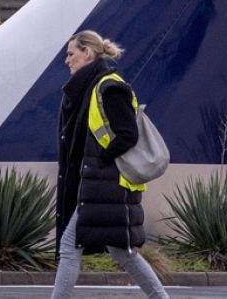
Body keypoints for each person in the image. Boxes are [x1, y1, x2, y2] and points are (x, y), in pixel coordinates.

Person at [52, 30, 168, 299]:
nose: (67, 60)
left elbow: (128, 134)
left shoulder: (109, 87)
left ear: (87, 53)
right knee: (122, 251)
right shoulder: (90, 88)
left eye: (71, 54)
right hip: (98, 184)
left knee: (70, 245)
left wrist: (101, 160)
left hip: (108, 185)